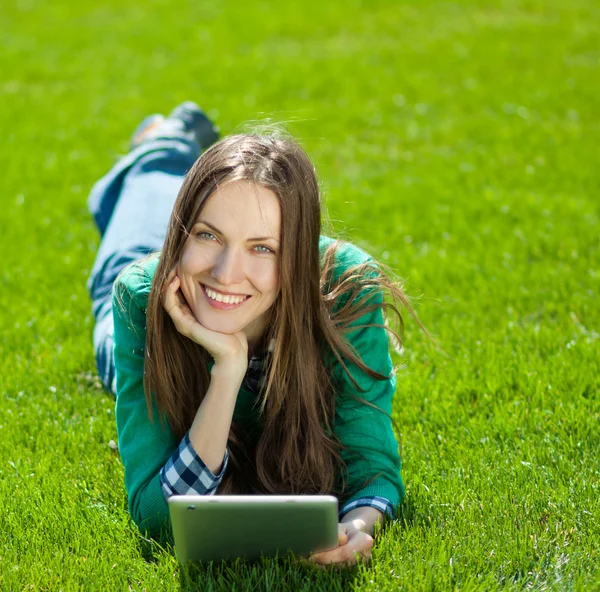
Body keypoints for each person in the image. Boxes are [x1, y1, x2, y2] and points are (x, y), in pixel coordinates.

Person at [87, 102, 417, 568]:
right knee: (146, 194)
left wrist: (356, 528)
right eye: (207, 235)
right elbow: (158, 519)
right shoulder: (139, 299)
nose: (228, 273)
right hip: (156, 277)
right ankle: (165, 138)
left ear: (297, 254)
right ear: (183, 234)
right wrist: (227, 373)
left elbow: (373, 469)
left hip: (197, 266)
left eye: (262, 247)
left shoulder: (345, 289)